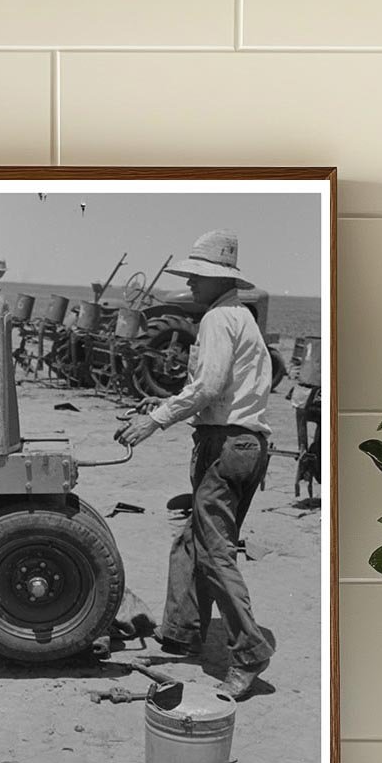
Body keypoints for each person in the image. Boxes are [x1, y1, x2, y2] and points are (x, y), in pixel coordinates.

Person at [117, 229, 275, 701]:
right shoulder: (238, 316)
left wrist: (155, 423)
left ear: (217, 280)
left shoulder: (218, 320)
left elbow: (207, 388)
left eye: (196, 277)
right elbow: (215, 391)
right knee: (190, 543)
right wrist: (161, 404)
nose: (190, 284)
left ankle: (250, 651)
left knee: (212, 552)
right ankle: (182, 635)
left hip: (227, 447)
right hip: (240, 444)